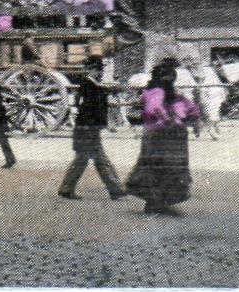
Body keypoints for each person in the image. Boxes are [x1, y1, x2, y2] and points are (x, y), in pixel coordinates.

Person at [124, 59, 200, 214]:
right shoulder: (161, 92)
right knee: (167, 167)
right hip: (166, 134)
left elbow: (187, 109)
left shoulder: (153, 92)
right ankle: (157, 202)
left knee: (155, 167)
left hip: (157, 133)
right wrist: (176, 120)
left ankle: (157, 201)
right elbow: (157, 108)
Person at [58, 55, 125, 200]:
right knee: (94, 159)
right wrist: (105, 123)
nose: (100, 73)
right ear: (90, 70)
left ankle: (115, 188)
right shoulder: (90, 86)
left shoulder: (89, 85)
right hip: (88, 128)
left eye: (100, 70)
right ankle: (115, 188)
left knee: (89, 159)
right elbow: (92, 109)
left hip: (86, 128)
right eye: (97, 70)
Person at [198, 65, 228, 141]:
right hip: (210, 102)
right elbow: (203, 94)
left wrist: (222, 100)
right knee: (211, 117)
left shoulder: (214, 82)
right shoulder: (206, 83)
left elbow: (222, 93)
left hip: (215, 102)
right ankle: (212, 132)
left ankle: (214, 131)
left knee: (214, 118)